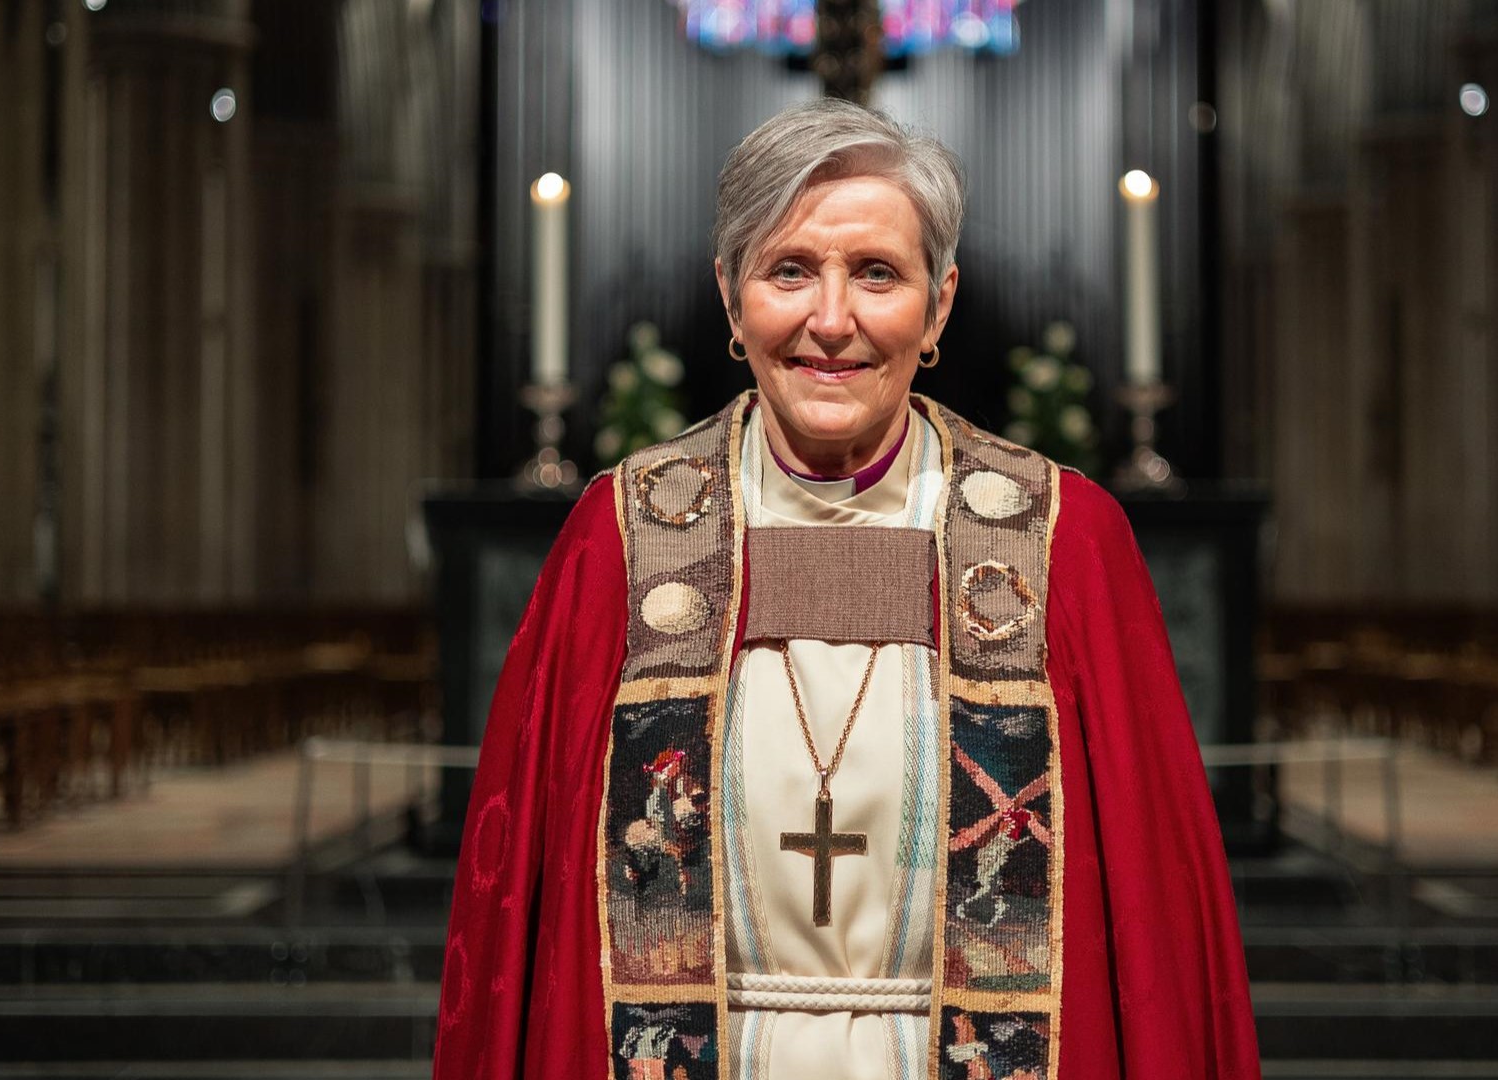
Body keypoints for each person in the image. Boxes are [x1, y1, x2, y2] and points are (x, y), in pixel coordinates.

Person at [433, 98, 1259, 1080]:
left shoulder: (1061, 542)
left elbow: (1160, 939)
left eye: (877, 273)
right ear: (732, 299)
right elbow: (518, 920)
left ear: (940, 303)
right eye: (790, 271)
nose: (832, 321)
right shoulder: (622, 542)